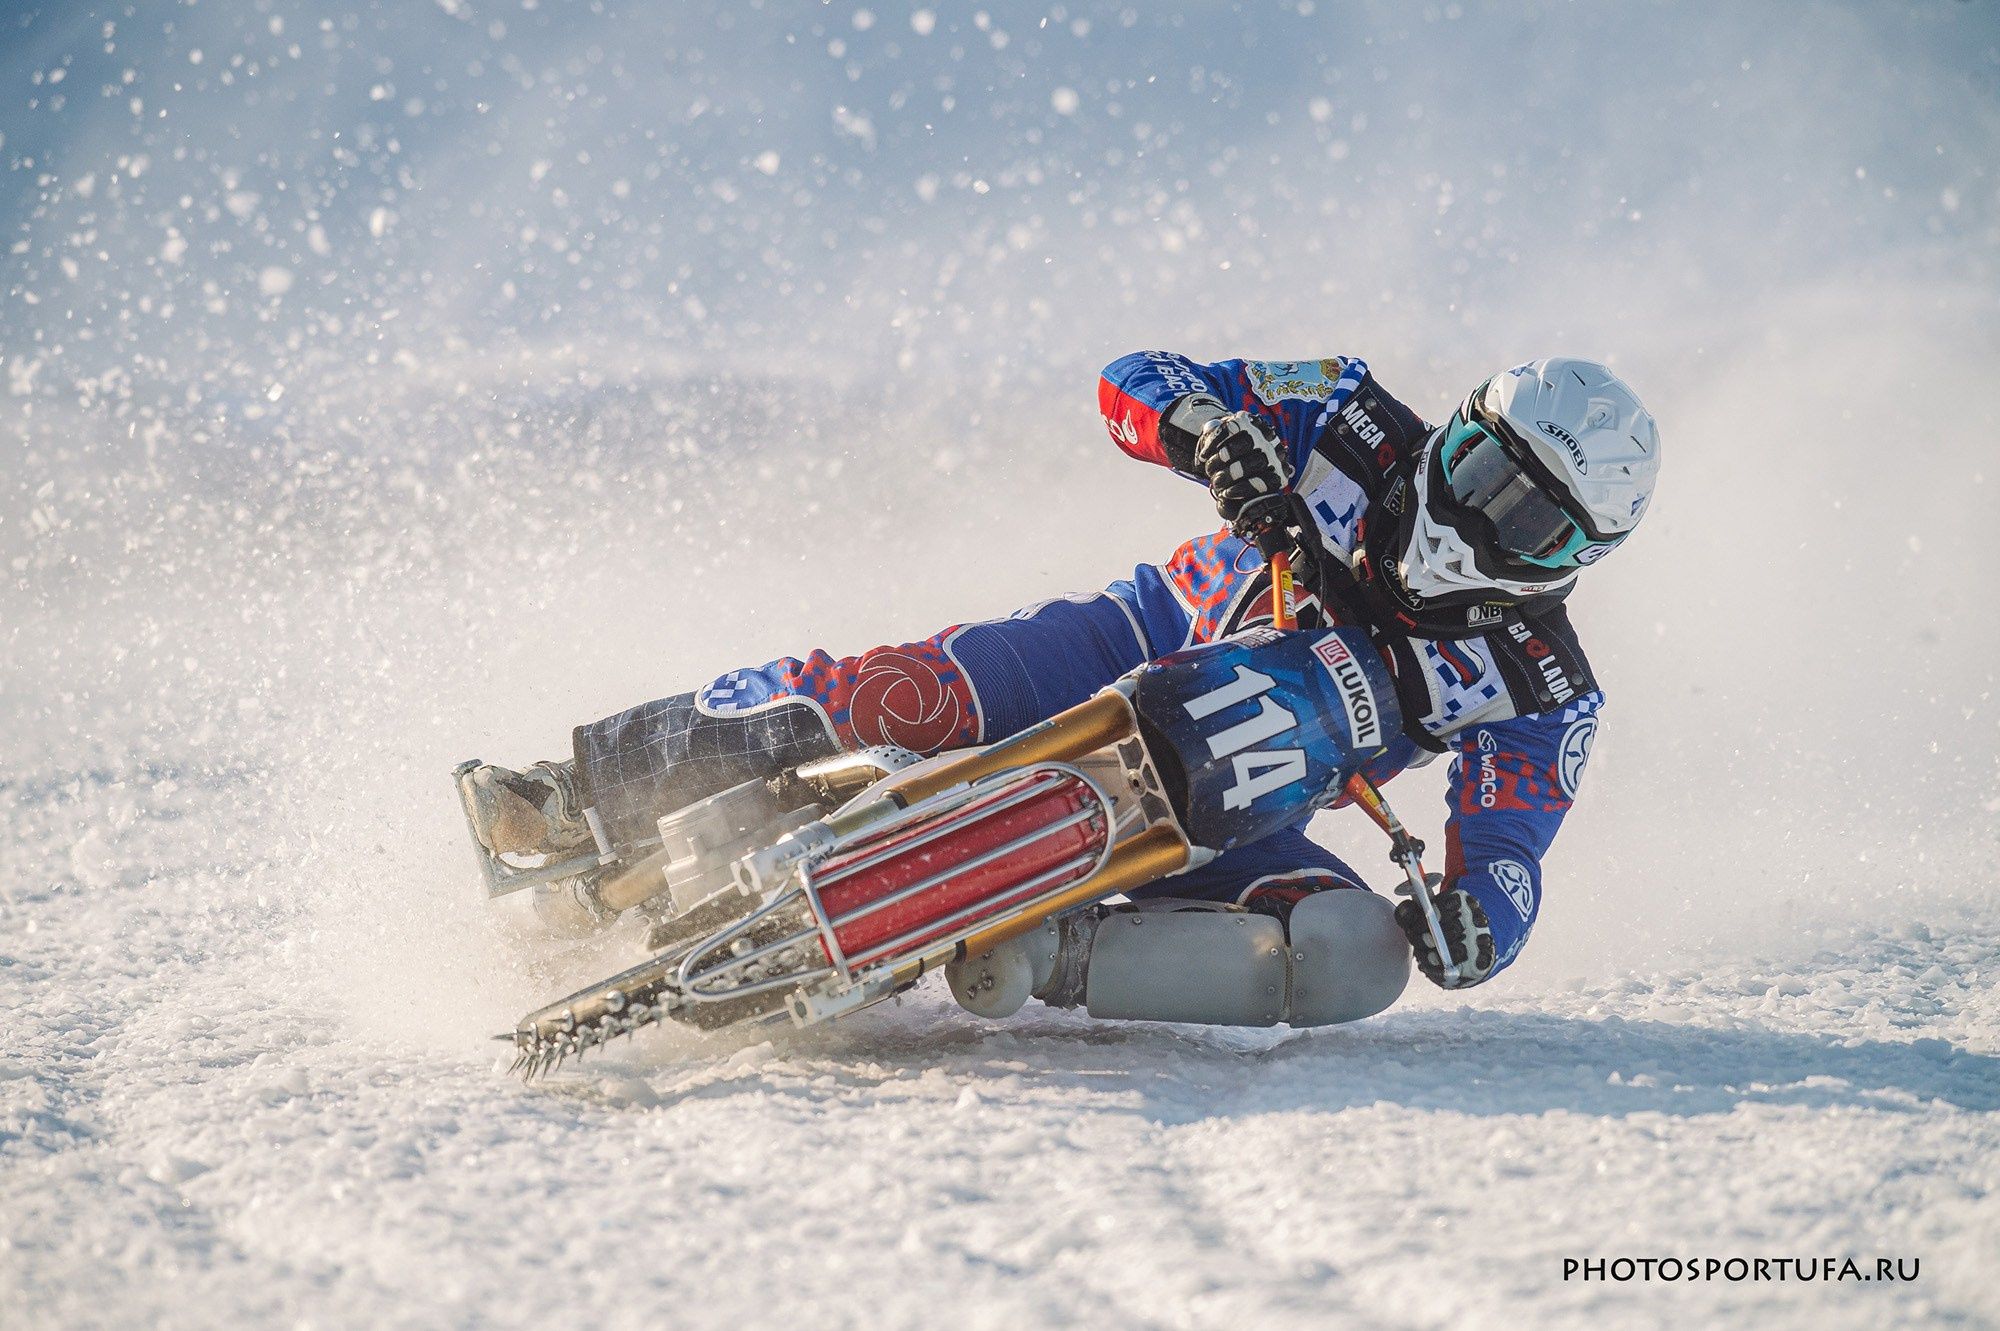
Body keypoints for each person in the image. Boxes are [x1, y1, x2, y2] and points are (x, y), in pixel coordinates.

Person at [460, 352, 1660, 1029]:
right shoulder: (1345, 416)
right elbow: (1136, 377)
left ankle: (1042, 939)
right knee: (894, 692)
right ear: (1449, 431)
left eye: (1530, 523)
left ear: (1576, 561)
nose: (1473, 520)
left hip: (1241, 809)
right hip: (1110, 644)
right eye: (1476, 470)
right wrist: (1203, 431)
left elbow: (1507, 846)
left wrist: (1475, 931)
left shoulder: (1543, 685)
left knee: (1354, 954)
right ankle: (578, 796)